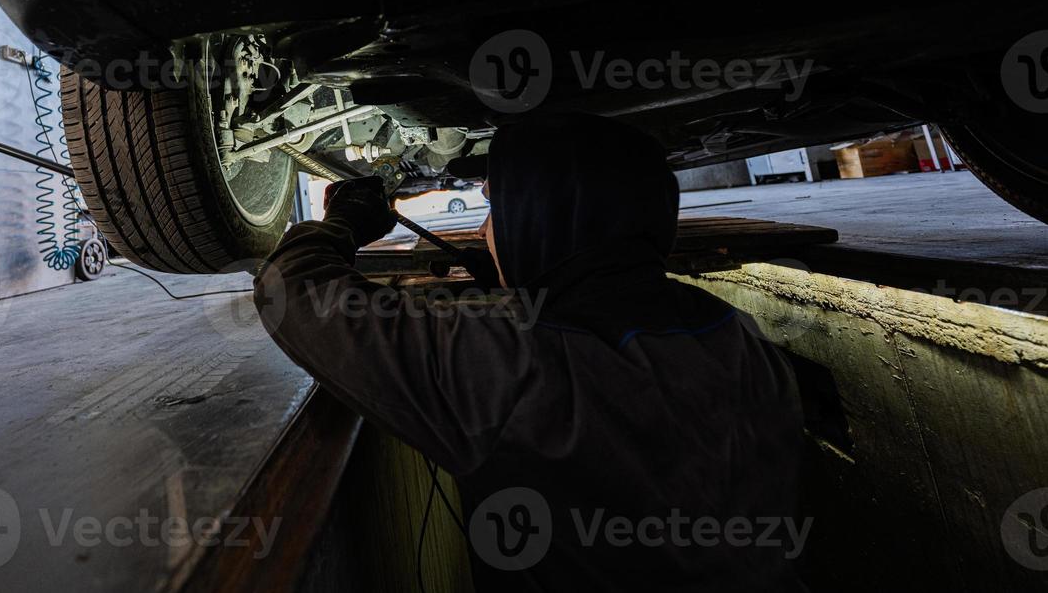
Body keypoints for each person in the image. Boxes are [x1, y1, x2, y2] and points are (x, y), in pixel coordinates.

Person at [254, 114, 808, 591]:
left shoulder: (516, 364)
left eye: (496, 209)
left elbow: (293, 291)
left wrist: (342, 224)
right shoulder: (741, 338)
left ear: (542, 216)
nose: (483, 230)